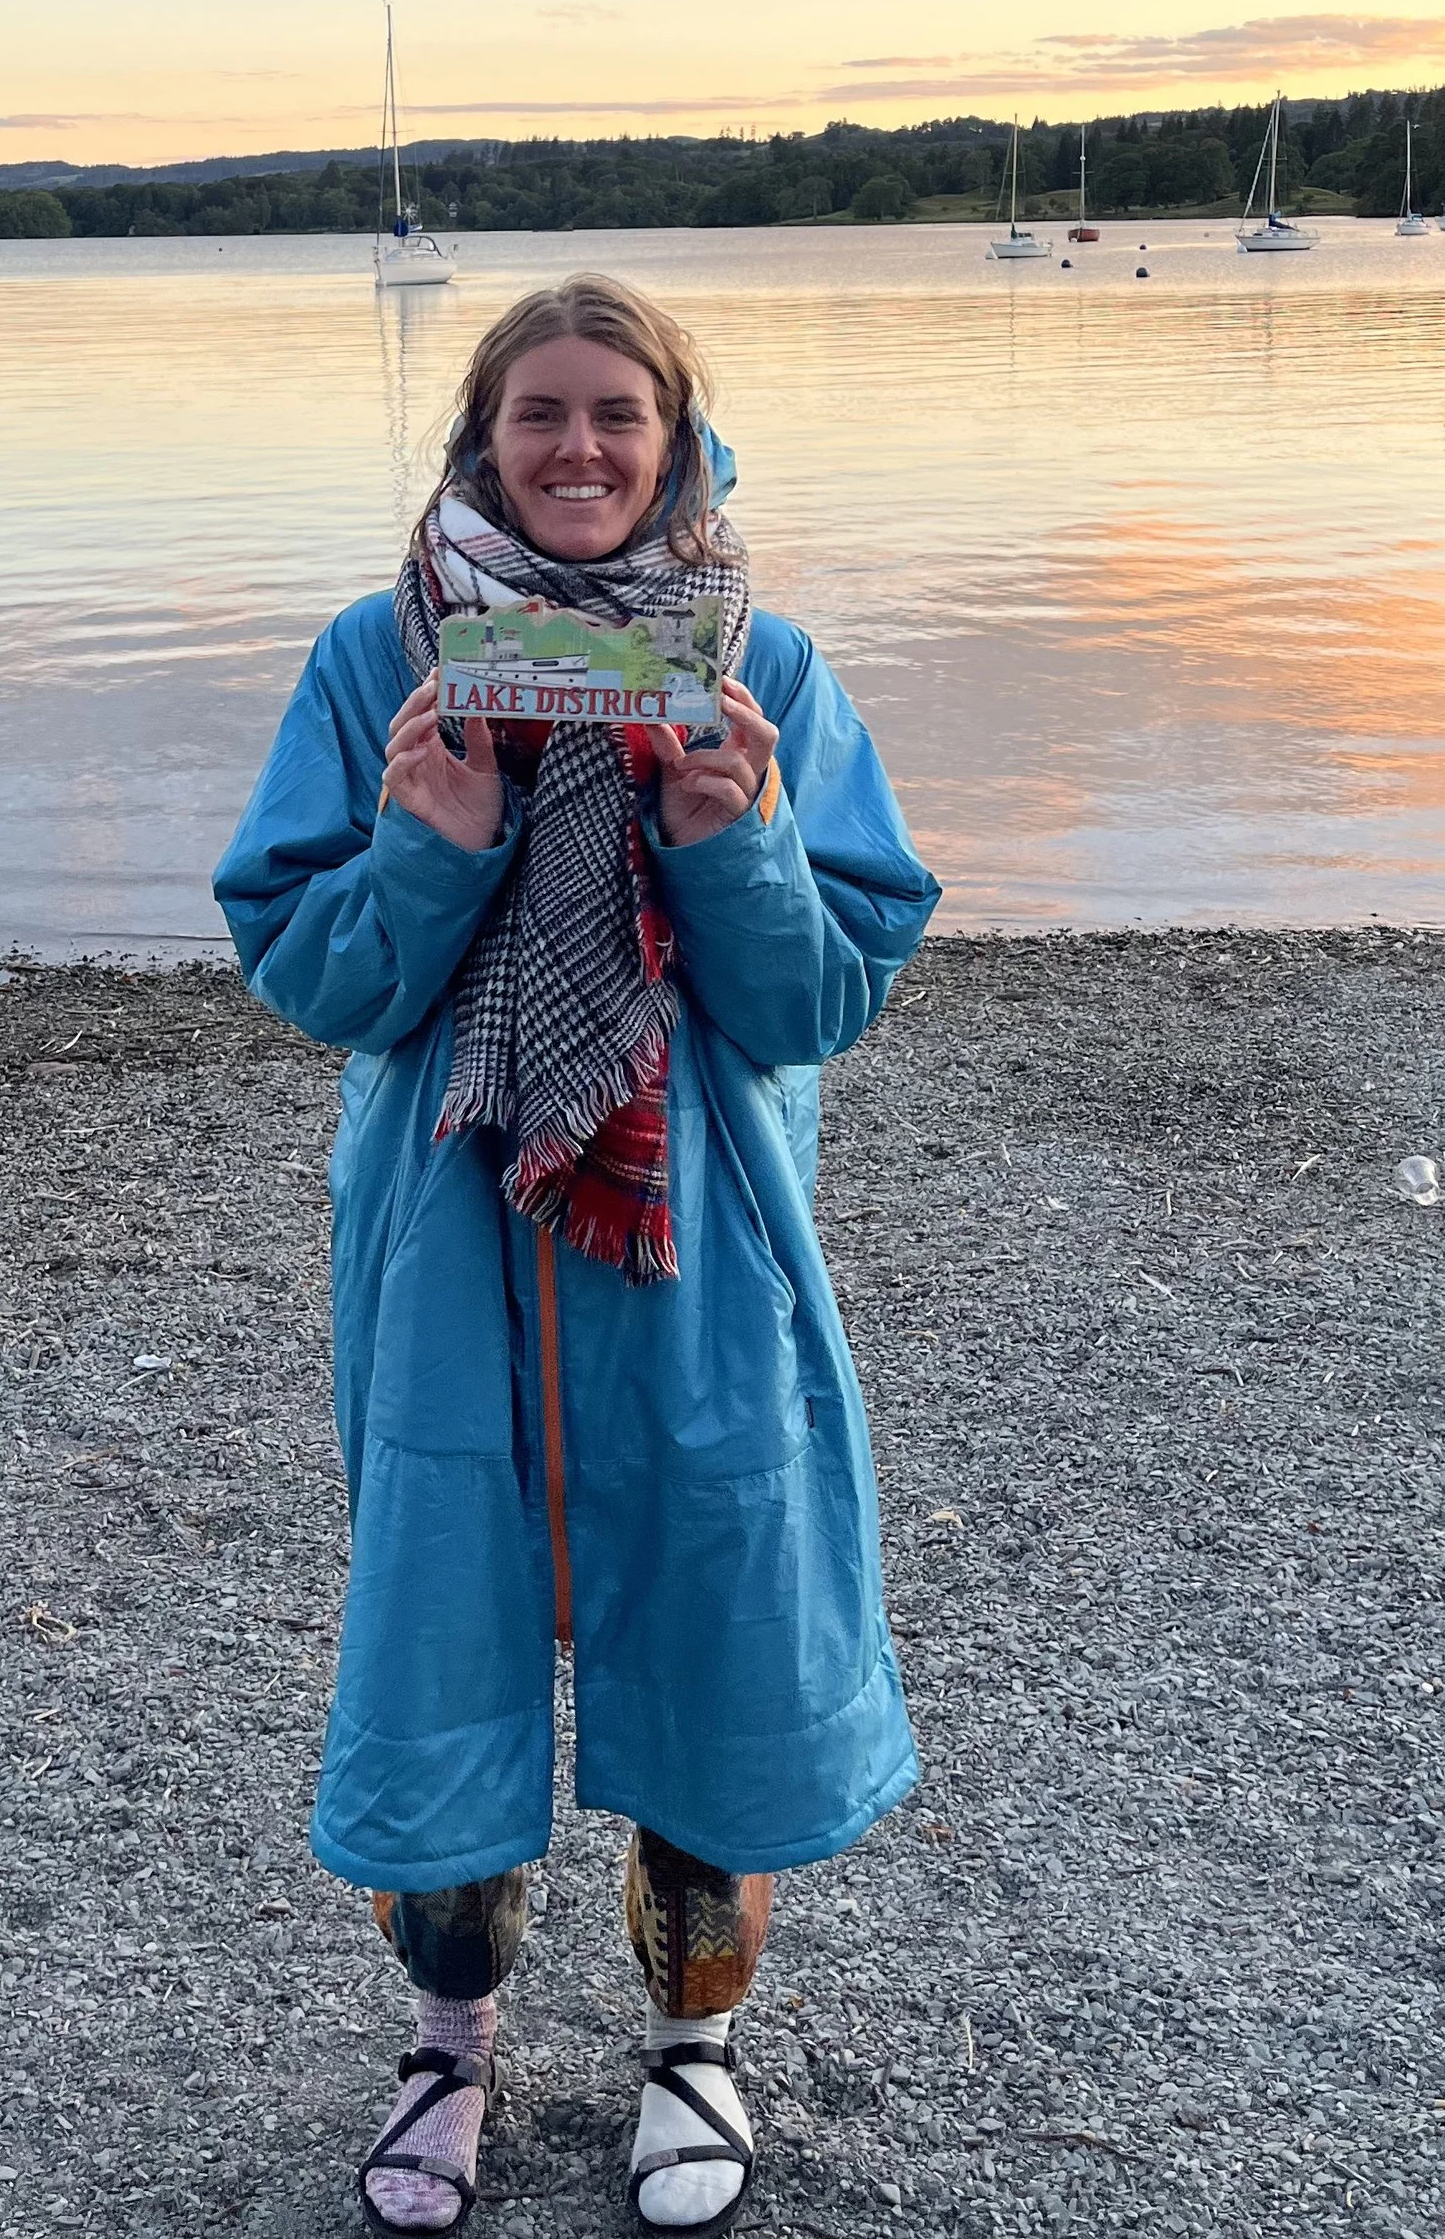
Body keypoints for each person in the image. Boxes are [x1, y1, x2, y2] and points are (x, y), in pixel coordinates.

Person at [214, 274, 938, 2237]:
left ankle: (693, 2045)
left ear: (675, 438)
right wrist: (427, 840)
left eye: (615, 413)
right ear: (478, 441)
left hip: (688, 1237)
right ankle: (449, 2042)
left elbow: (813, 1003)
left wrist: (732, 835)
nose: (578, 448)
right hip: (448, 1246)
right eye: (537, 413)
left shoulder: (759, 658)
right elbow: (317, 974)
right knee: (441, 1640)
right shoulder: (379, 662)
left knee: (710, 1617)